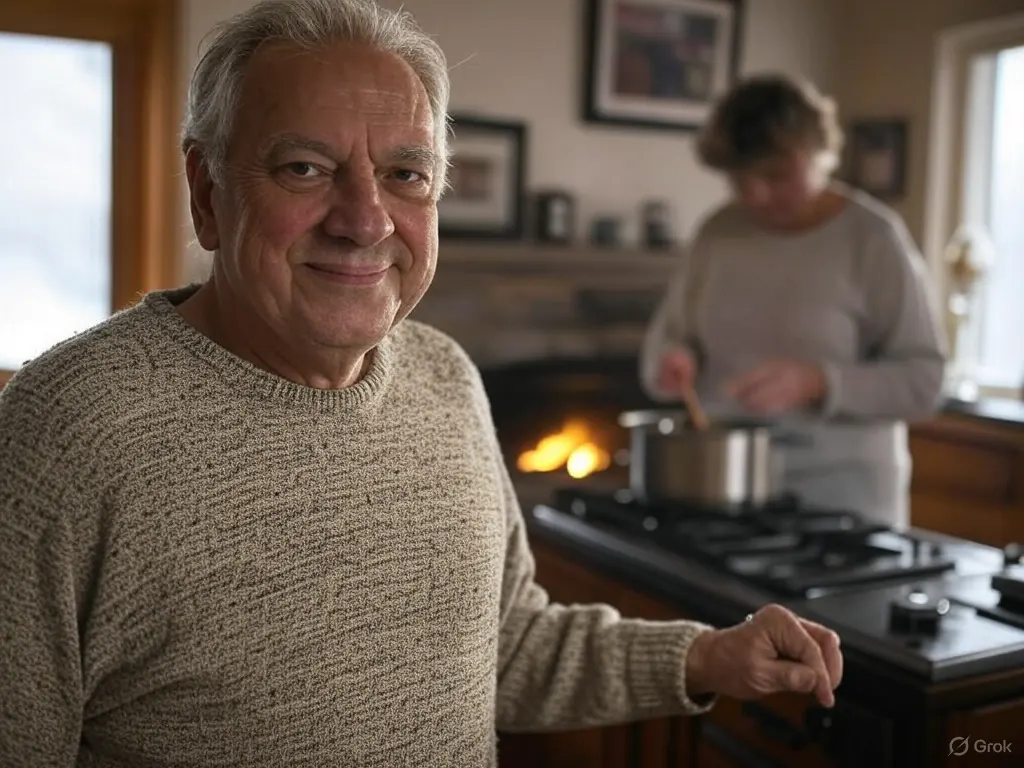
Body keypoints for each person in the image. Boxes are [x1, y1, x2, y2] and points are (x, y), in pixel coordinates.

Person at [0, 3, 842, 766]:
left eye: (406, 174)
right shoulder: (64, 435)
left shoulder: (446, 377)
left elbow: (505, 647)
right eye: (303, 168)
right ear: (206, 191)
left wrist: (705, 656)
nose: (365, 219)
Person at [640, 74, 947, 530]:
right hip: (721, 495)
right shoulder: (718, 232)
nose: (756, 194)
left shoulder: (873, 238)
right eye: (739, 178)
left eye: (776, 175)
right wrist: (675, 361)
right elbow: (666, 345)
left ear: (822, 153)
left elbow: (926, 382)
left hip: (843, 507)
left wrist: (820, 382)